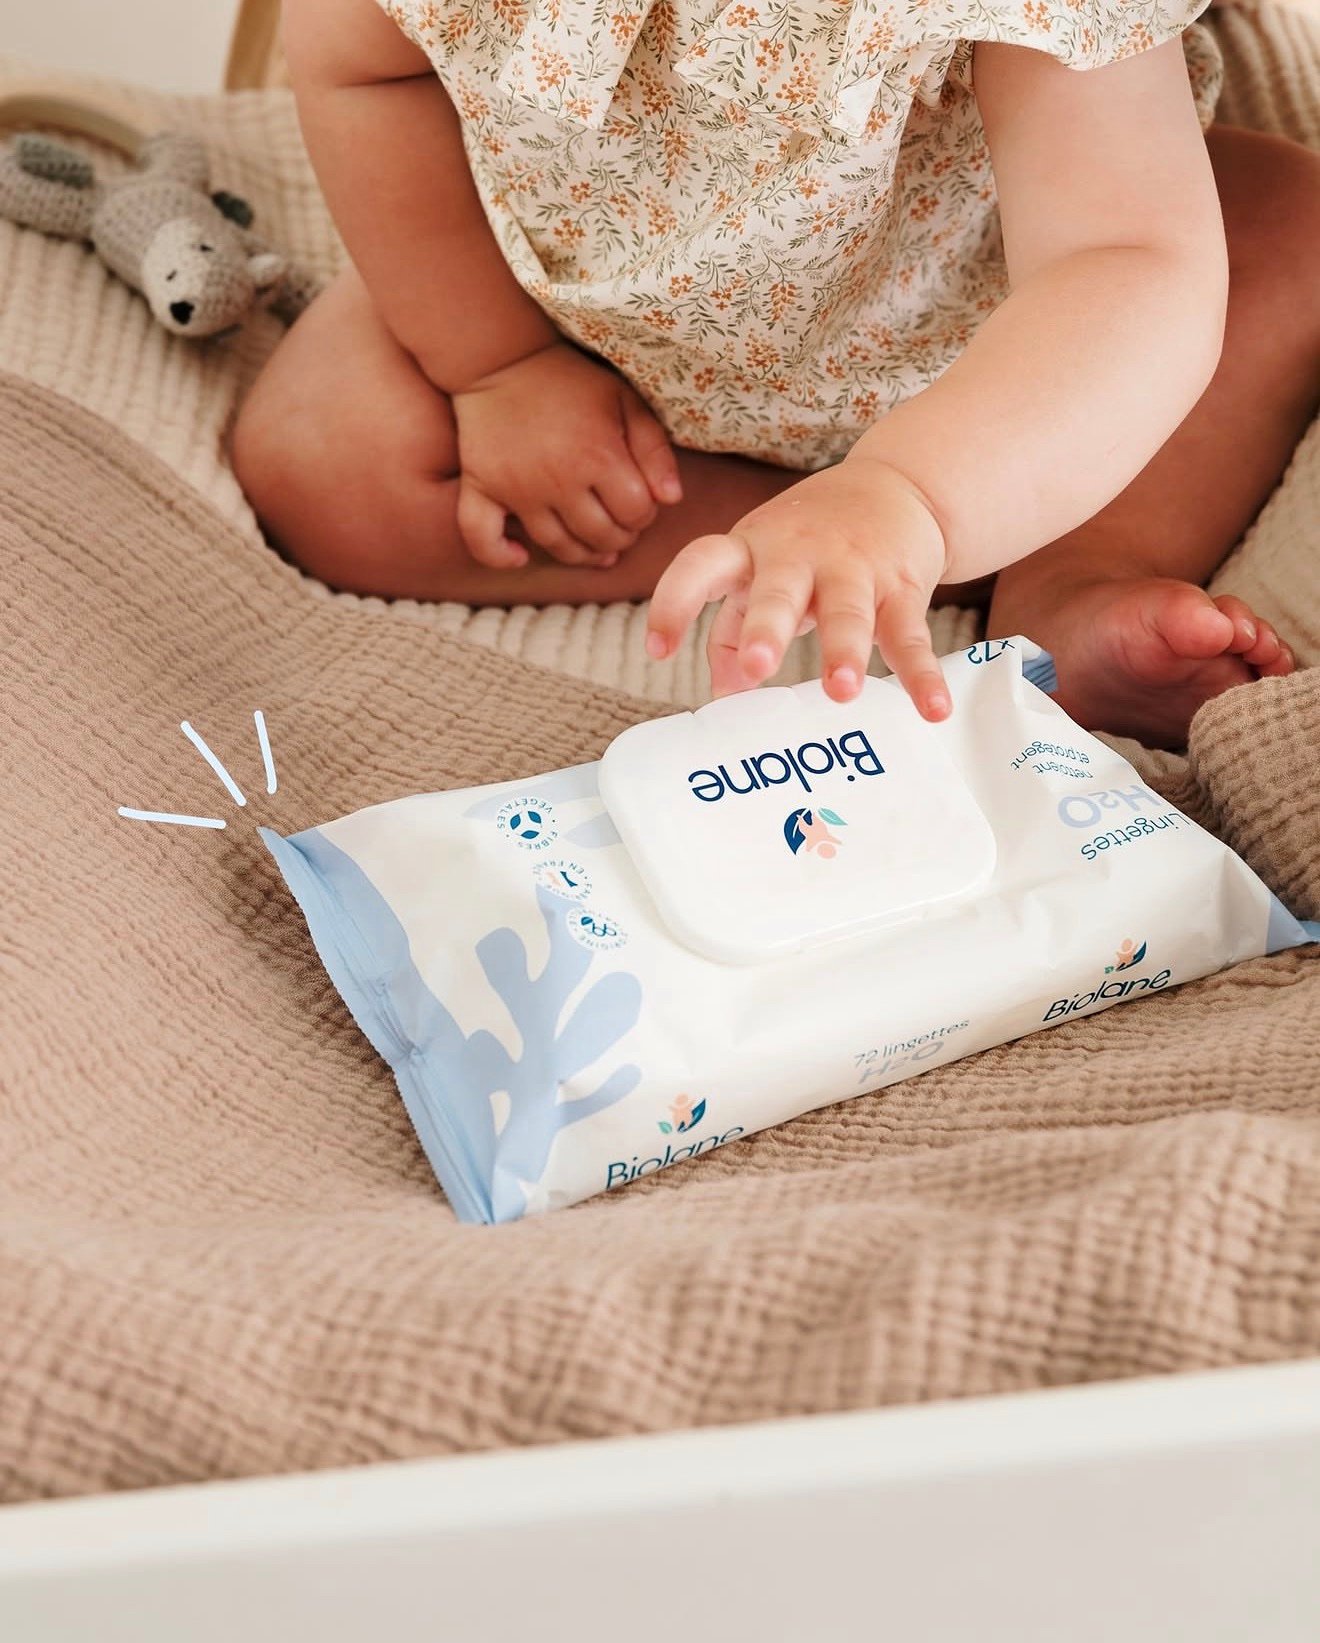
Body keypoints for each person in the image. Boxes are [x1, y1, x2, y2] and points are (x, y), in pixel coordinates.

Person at [233, 0, 1319, 746]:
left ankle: (1065, 568)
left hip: (999, 353)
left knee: (1278, 242)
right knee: (325, 456)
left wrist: (913, 491)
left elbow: (1122, 258)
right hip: (591, 351)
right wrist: (495, 364)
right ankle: (851, 551)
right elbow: (359, 67)